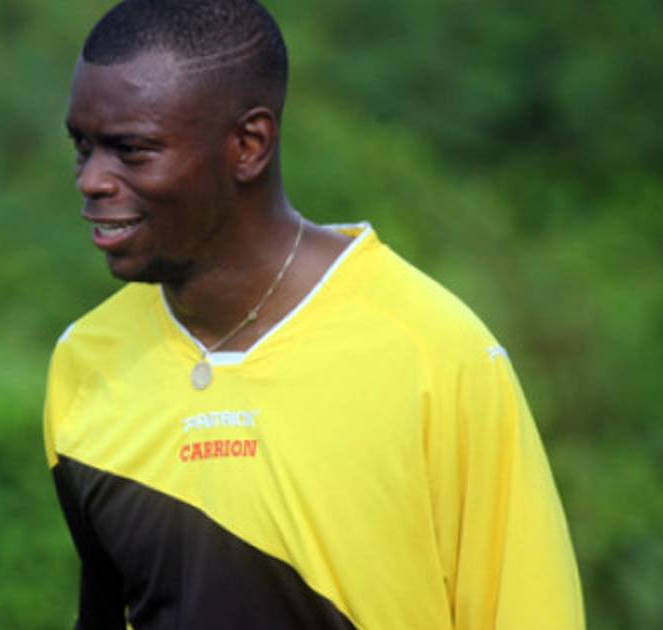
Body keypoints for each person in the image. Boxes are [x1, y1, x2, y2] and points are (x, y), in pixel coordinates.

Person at [42, 1, 585, 628]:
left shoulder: (435, 351)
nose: (91, 180)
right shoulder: (85, 364)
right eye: (83, 147)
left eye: (131, 150)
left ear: (249, 145)